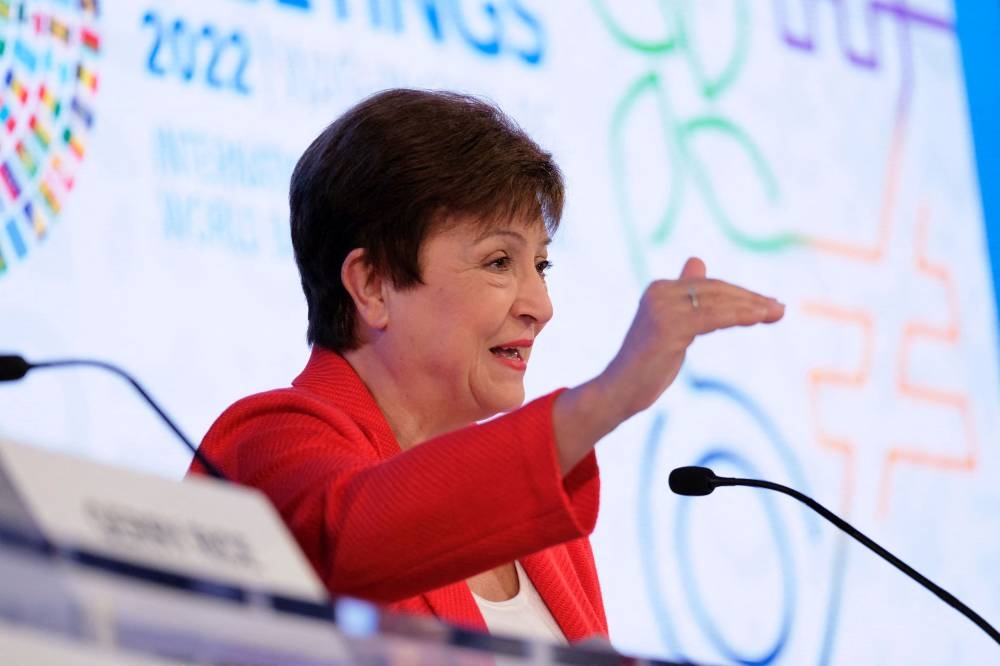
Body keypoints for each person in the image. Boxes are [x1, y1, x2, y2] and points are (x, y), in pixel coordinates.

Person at [191, 89, 784, 644]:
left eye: (541, 266)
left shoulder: (545, 534)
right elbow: (361, 537)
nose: (540, 307)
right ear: (372, 286)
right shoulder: (266, 442)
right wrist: (609, 397)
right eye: (500, 261)